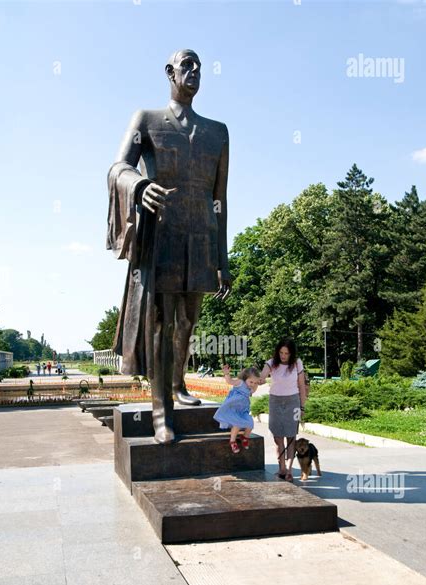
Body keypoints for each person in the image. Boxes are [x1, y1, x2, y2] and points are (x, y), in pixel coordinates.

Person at [106, 49, 231, 444]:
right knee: (161, 324)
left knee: (188, 322)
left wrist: (222, 260)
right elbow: (117, 168)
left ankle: (177, 384)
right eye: (187, 66)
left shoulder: (217, 131)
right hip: (161, 236)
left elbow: (220, 199)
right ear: (170, 73)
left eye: (199, 68)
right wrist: (138, 185)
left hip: (201, 238)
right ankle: (162, 414)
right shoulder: (147, 120)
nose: (194, 73)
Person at [260, 338, 308, 482]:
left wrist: (302, 406)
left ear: (291, 353)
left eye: (286, 353)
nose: (283, 356)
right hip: (275, 402)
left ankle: (289, 470)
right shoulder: (271, 363)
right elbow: (262, 375)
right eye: (281, 352)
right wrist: (259, 379)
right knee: (277, 437)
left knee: (291, 437)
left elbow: (302, 386)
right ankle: (281, 468)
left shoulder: (297, 363)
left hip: (292, 402)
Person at [214, 365, 260, 453]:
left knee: (250, 423)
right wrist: (227, 373)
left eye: (255, 383)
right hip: (233, 408)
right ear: (245, 378)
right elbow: (229, 381)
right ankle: (232, 441)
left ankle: (245, 437)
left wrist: (257, 384)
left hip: (243, 410)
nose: (253, 384)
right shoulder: (240, 383)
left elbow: (253, 391)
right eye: (251, 382)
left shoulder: (249, 388)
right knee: (237, 424)